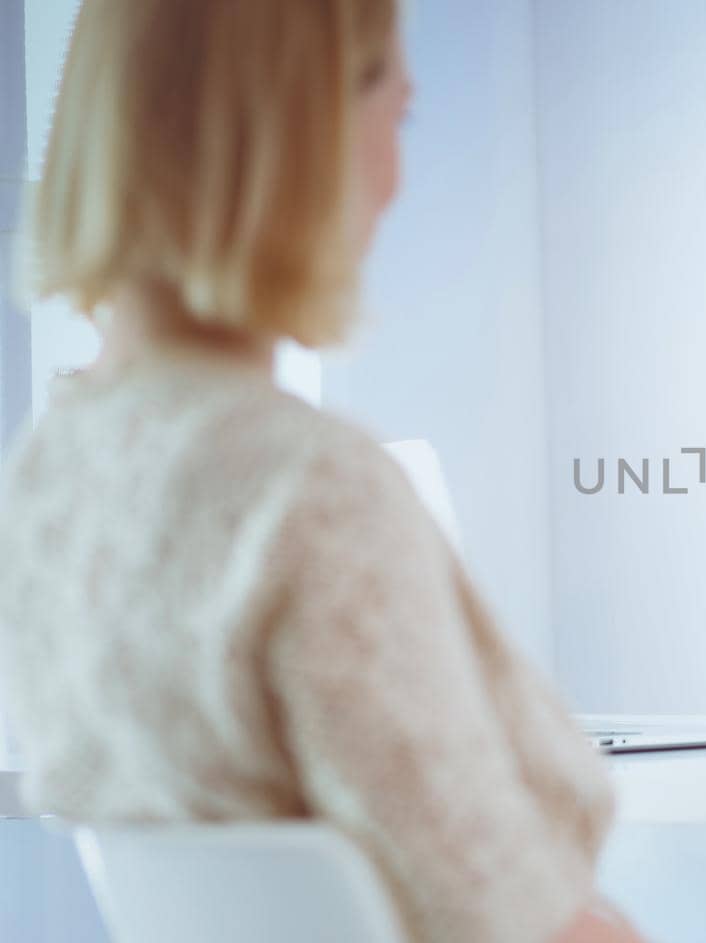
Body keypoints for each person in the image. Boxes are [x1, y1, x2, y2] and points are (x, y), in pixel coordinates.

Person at [0, 2, 639, 940]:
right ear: (301, 132)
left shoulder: (49, 475)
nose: (396, 177)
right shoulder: (309, 490)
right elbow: (512, 919)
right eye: (398, 115)